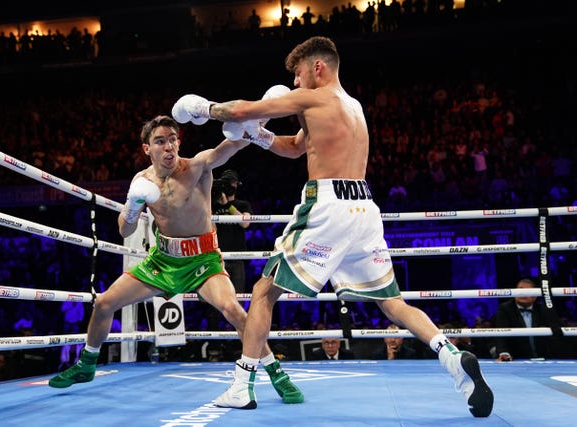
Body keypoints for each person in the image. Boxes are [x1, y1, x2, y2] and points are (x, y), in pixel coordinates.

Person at [171, 36, 493, 417]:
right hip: (364, 209)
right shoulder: (352, 107)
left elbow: (240, 110)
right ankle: (452, 357)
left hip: (328, 205)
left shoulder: (315, 97)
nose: (294, 83)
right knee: (391, 302)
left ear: (317, 67)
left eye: (297, 74)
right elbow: (294, 147)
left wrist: (203, 108)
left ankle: (242, 385)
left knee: (262, 292)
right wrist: (258, 136)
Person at [48, 115, 303, 406]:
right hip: (163, 260)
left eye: (172, 139)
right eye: (160, 141)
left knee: (232, 308)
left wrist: (255, 122)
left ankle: (276, 373)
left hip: (202, 260)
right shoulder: (141, 181)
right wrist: (132, 207)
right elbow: (124, 230)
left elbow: (228, 147)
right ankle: (87, 364)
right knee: (104, 303)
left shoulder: (197, 167)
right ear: (147, 149)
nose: (168, 146)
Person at [493, 278, 564, 362]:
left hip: (543, 358)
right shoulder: (505, 309)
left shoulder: (543, 309)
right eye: (520, 290)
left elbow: (556, 331)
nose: (523, 294)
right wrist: (503, 353)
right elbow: (501, 332)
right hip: (516, 358)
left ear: (535, 296)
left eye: (527, 291)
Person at [212, 169, 252, 293]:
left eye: (232, 182)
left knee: (237, 296)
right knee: (215, 300)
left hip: (237, 257)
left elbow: (245, 223)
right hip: (217, 257)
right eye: (226, 182)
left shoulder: (242, 204)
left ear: (237, 185)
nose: (230, 185)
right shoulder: (212, 205)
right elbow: (210, 229)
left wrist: (227, 206)